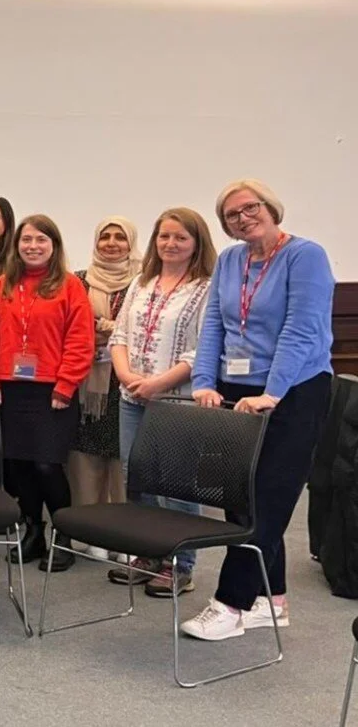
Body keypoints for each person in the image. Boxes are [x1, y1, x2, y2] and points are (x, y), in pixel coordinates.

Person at [181, 180, 334, 641]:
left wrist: (273, 391)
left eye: (250, 208)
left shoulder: (306, 256)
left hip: (296, 391)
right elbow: (215, 326)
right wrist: (205, 382)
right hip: (234, 387)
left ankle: (230, 602)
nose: (243, 218)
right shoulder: (230, 260)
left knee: (268, 501)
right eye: (232, 215)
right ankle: (273, 599)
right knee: (238, 498)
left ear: (271, 208)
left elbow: (301, 330)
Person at [107, 208, 215, 597]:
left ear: (196, 243)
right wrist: (125, 375)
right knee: (137, 478)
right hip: (132, 397)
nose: (170, 244)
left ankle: (181, 564)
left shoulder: (206, 288)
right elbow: (118, 336)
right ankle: (149, 555)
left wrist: (157, 384)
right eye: (164, 236)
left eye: (180, 238)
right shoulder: (142, 281)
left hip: (176, 404)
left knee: (178, 485)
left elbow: (202, 351)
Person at [0, 214, 94, 573]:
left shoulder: (70, 286)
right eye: (26, 240)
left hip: (52, 391)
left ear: (54, 246)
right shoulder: (3, 285)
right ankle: (34, 531)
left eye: (41, 240)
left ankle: (64, 537)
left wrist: (66, 384)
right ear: (17, 246)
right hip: (11, 389)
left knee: (47, 465)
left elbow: (80, 340)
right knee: (19, 465)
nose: (32, 246)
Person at [68, 216, 141, 559]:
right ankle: (90, 527)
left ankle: (123, 530)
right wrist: (112, 329)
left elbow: (135, 328)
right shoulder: (79, 280)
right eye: (105, 237)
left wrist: (106, 328)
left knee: (123, 456)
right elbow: (77, 324)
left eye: (120, 238)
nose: (112, 243)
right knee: (86, 454)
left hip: (128, 379)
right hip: (87, 382)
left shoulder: (143, 281)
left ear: (131, 243)